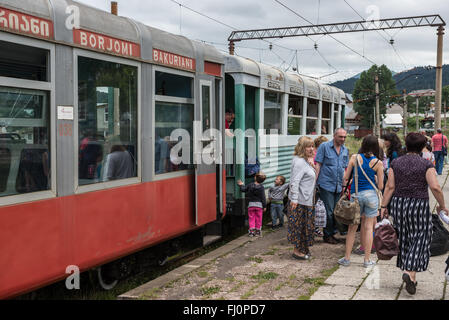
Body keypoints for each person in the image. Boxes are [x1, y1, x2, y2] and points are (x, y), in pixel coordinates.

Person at [381, 132, 449, 295]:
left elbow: (390, 187)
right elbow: (435, 187)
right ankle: (410, 270)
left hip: (398, 204)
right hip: (418, 204)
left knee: (404, 236)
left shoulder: (395, 163)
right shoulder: (426, 165)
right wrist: (442, 205)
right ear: (422, 147)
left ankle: (411, 277)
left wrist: (383, 206)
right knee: (421, 237)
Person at [338, 135, 384, 268]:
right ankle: (367, 260)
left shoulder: (354, 158)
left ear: (363, 144)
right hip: (371, 197)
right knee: (369, 227)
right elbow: (380, 186)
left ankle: (346, 259)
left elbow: (346, 178)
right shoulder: (378, 163)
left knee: (352, 228)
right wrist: (374, 178)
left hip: (356, 195)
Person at [315, 128, 349, 244]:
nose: (343, 139)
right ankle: (327, 235)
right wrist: (315, 182)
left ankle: (332, 233)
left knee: (336, 211)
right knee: (329, 212)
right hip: (326, 183)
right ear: (334, 136)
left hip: (338, 185)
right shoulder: (324, 147)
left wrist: (344, 186)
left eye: (344, 137)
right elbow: (318, 164)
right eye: (340, 137)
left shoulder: (345, 150)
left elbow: (344, 169)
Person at [288, 137, 317, 260]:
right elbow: (294, 181)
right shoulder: (299, 162)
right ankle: (297, 251)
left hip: (307, 199)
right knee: (299, 226)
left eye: (312, 146)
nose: (312, 149)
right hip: (300, 200)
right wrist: (294, 199)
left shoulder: (304, 161)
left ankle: (303, 249)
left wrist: (311, 165)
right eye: (308, 146)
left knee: (306, 226)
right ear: (302, 148)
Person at [237, 172, 267, 237]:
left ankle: (251, 232)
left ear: (255, 178)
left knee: (251, 218)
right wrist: (264, 206)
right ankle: (258, 231)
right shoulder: (261, 187)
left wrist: (241, 185)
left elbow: (243, 189)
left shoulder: (250, 185)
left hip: (251, 205)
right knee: (259, 218)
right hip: (259, 206)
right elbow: (263, 197)